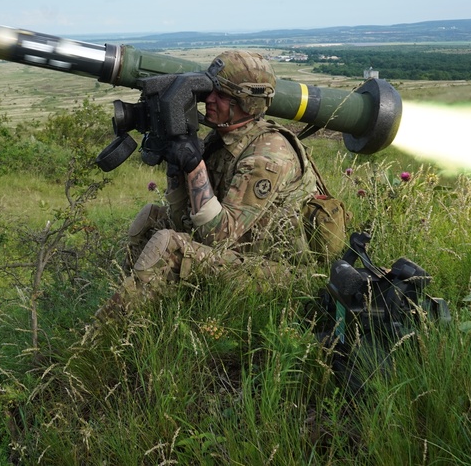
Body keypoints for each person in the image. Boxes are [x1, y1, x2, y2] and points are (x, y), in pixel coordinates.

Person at [113, 49, 329, 309]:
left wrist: (194, 167)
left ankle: (102, 338)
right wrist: (175, 164)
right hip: (241, 251)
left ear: (248, 103)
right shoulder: (225, 138)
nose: (209, 100)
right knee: (151, 218)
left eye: (222, 95)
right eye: (209, 90)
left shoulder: (268, 154)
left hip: (278, 273)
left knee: (172, 245)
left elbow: (219, 237)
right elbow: (182, 215)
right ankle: (137, 306)